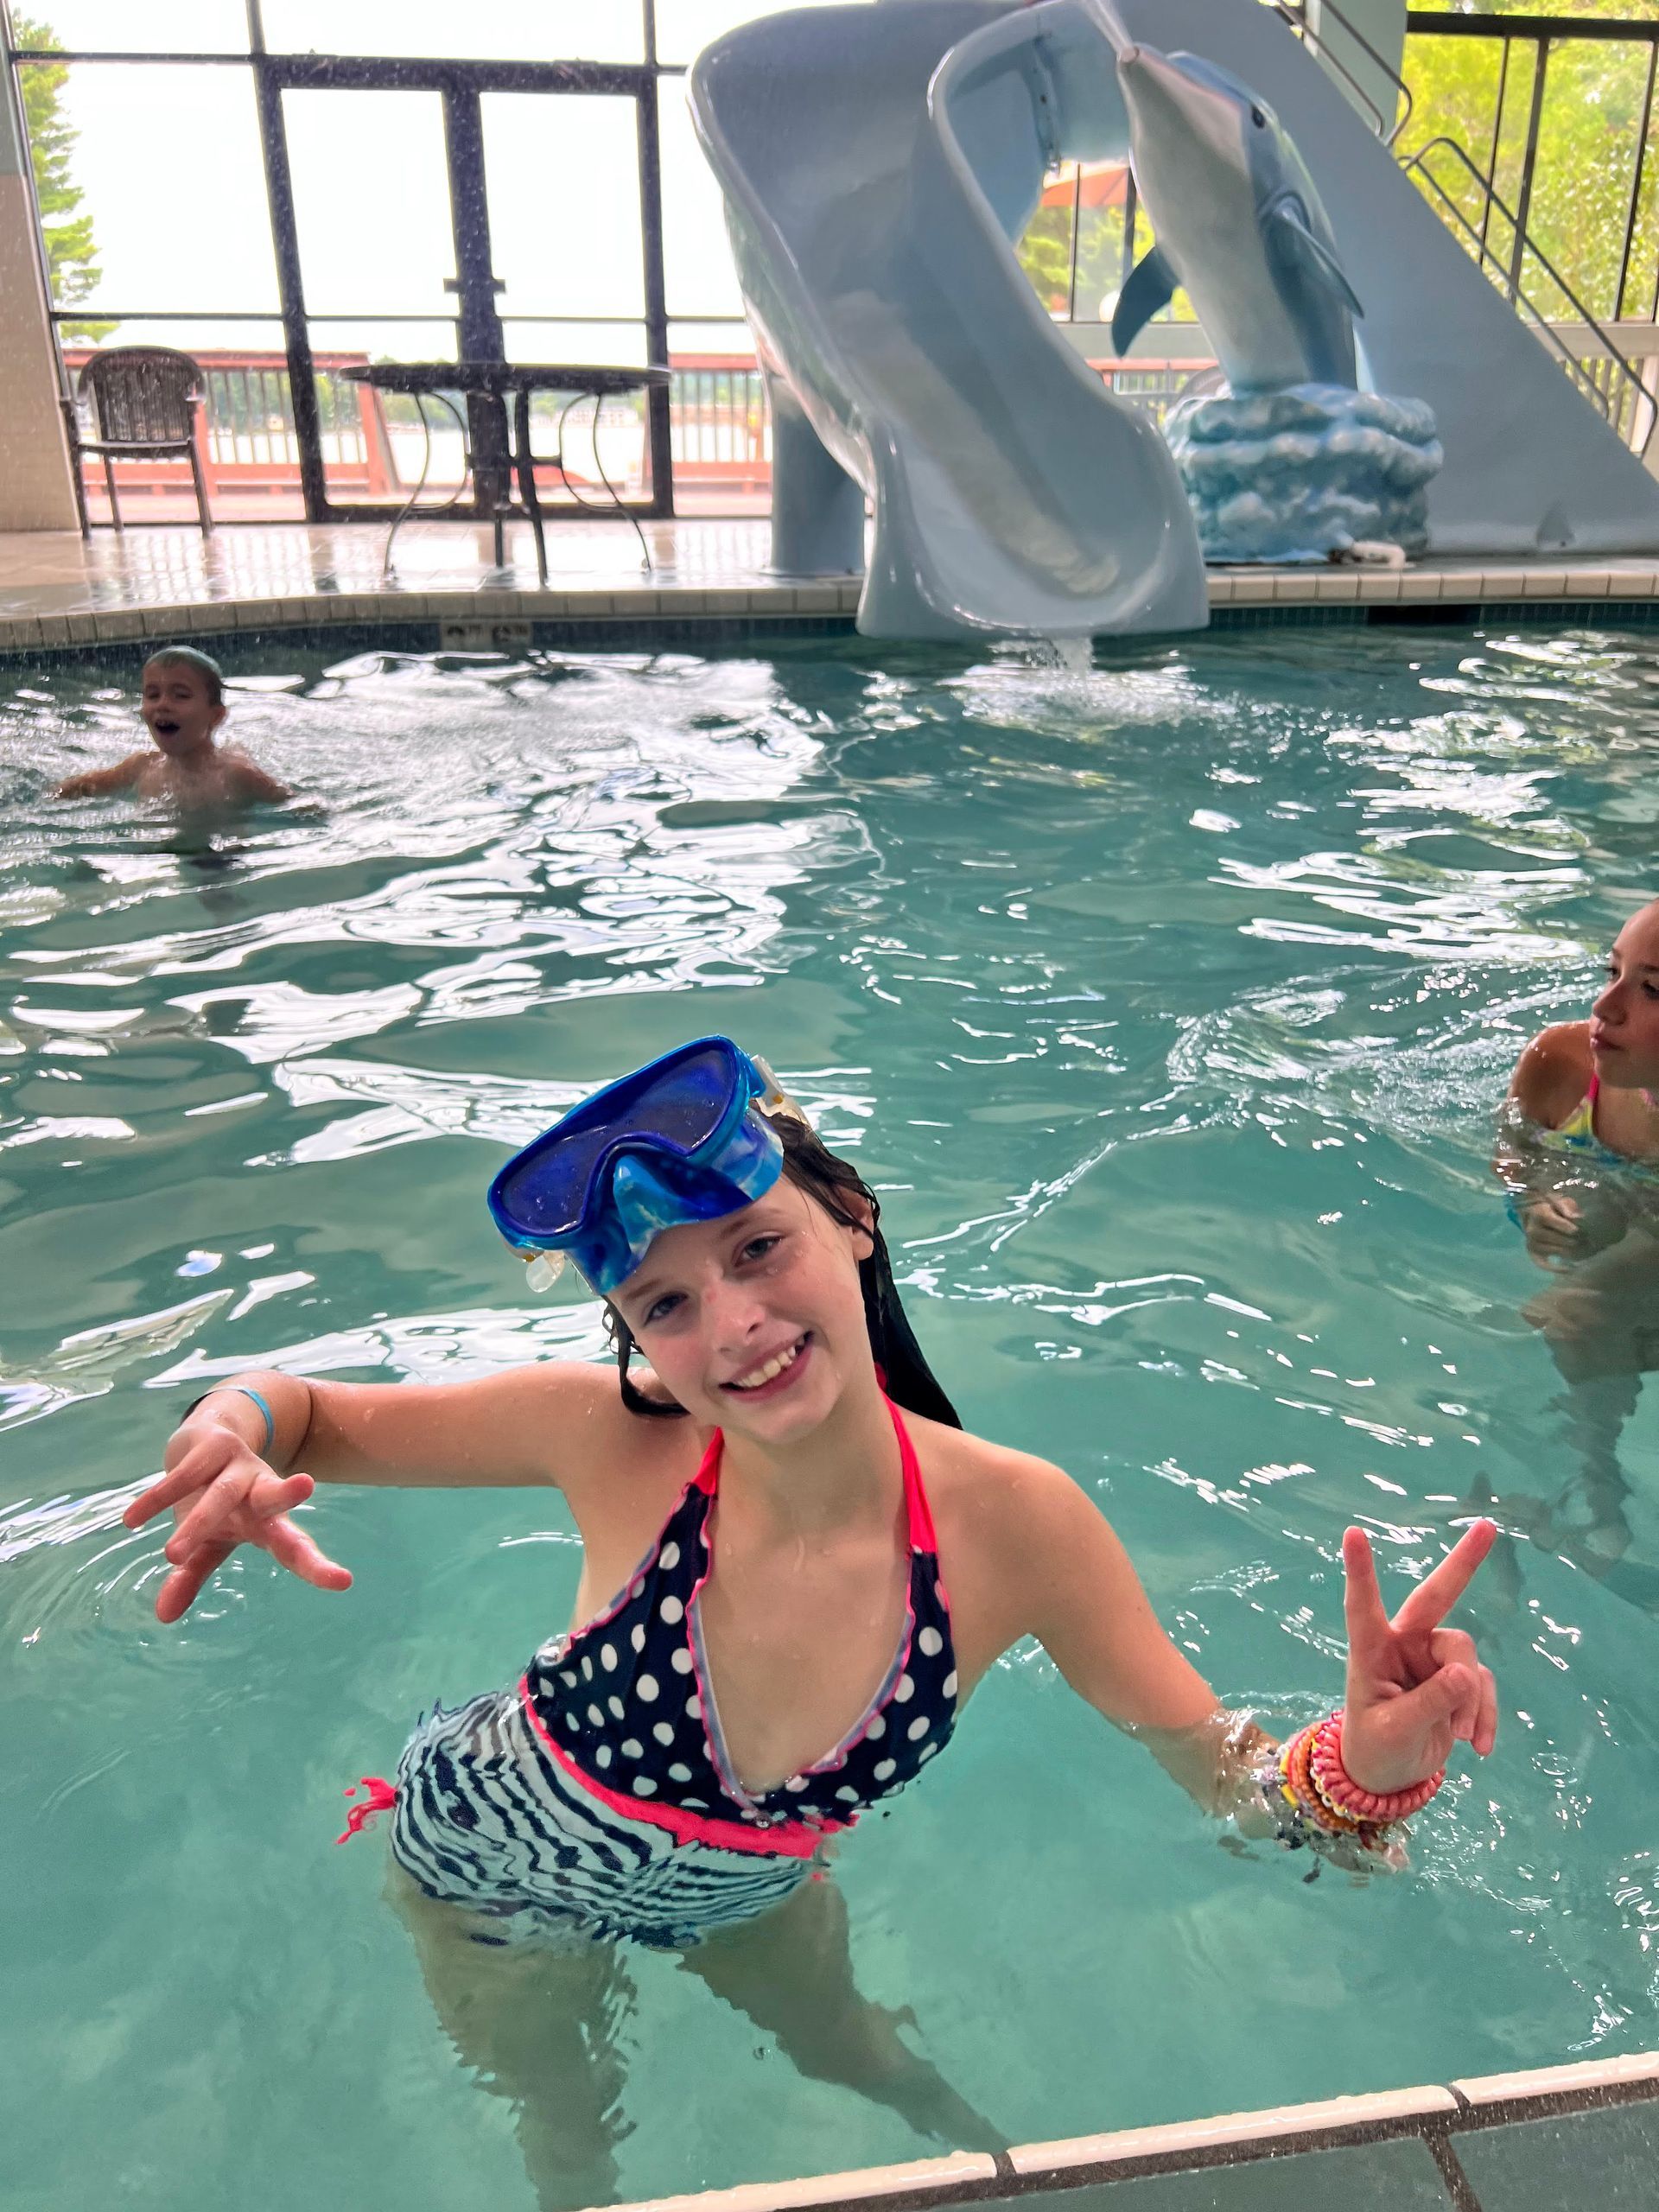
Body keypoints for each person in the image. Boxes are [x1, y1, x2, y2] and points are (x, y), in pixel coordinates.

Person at [126, 1038, 1497, 2207]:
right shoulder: (616, 1444)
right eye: (665, 1302)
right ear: (636, 1334)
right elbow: (301, 1409)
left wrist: (1364, 1771)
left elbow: (1225, 1775)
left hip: (753, 1875)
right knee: (570, 2133)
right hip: (500, 1862)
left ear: (852, 1220)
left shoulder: (1017, 1527)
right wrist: (229, 1427)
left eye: (759, 1246)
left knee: (882, 2071)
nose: (732, 1322)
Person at [1497, 895, 1659, 1599]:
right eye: (1613, 969)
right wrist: (1532, 1200)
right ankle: (1594, 1481)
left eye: (1652, 988)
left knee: (1579, 1313)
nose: (1607, 1005)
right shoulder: (1561, 1063)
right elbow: (1514, 1150)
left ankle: (1595, 1493)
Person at [54, 646, 289, 807]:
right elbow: (86, 786)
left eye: (181, 696)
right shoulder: (142, 765)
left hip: (222, 854)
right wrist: (58, 794)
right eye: (153, 695)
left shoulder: (236, 773)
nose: (163, 704)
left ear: (215, 716)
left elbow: (290, 801)